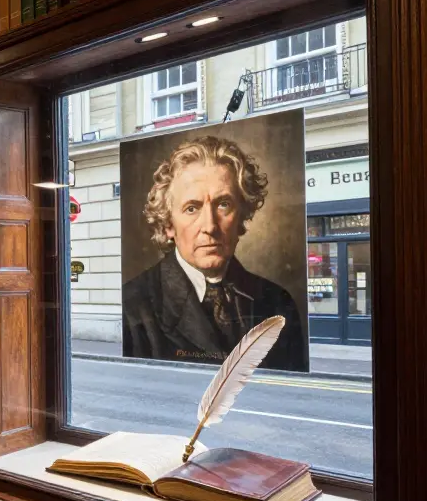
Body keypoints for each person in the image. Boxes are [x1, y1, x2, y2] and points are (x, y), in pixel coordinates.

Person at [121, 135, 305, 370]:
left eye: (223, 204)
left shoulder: (278, 303)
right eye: (191, 208)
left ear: (242, 216)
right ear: (168, 225)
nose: (210, 226)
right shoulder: (133, 306)